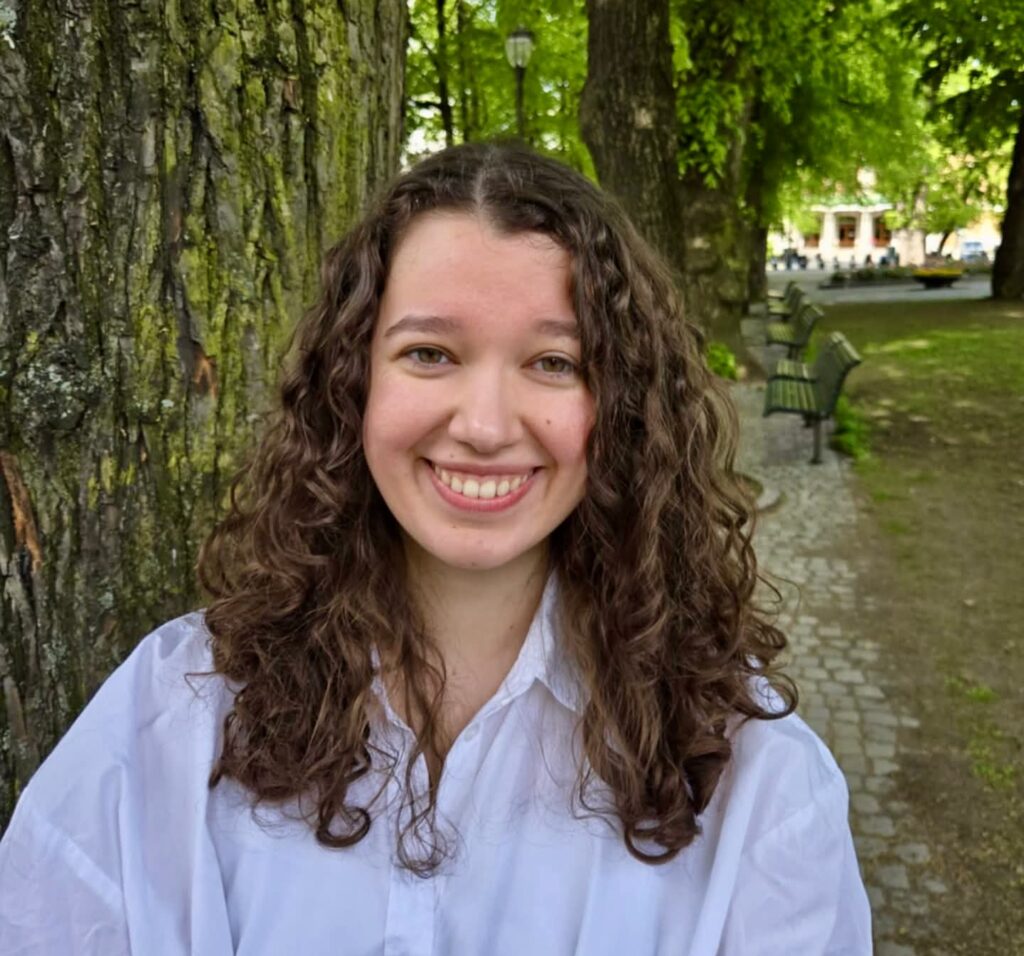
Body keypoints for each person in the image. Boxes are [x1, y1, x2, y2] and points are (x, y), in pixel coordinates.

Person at [0, 143, 871, 953]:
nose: (485, 427)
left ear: (625, 406)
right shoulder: (172, 717)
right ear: (353, 382)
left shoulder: (757, 787)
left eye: (555, 363)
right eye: (428, 352)